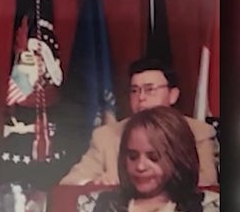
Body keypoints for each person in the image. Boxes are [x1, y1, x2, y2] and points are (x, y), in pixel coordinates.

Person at [65, 106, 220, 212]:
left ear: (178, 157)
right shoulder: (91, 207)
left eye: (153, 157)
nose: (140, 166)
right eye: (132, 156)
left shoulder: (210, 210)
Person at [60, 57, 218, 186]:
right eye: (135, 90)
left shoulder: (198, 132)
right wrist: (95, 183)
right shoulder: (106, 136)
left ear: (173, 95)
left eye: (150, 90)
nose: (141, 97)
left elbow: (207, 183)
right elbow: (70, 182)